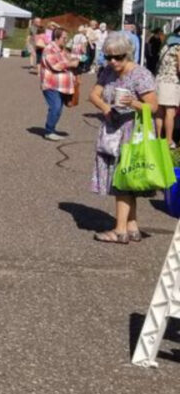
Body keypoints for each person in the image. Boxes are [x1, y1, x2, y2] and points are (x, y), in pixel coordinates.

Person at [88, 32, 158, 244]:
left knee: (123, 180)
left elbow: (154, 107)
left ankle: (119, 231)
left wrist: (132, 103)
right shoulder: (108, 71)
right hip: (113, 130)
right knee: (127, 180)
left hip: (133, 132)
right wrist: (107, 108)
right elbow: (93, 95)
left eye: (118, 57)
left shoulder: (141, 74)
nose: (113, 61)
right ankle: (132, 225)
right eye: (108, 57)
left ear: (129, 54)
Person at [40, 28, 79, 141]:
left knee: (59, 108)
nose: (66, 40)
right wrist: (71, 63)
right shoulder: (49, 49)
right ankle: (48, 131)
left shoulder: (61, 49)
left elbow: (67, 58)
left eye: (66, 37)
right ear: (57, 37)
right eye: (64, 37)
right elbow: (55, 66)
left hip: (60, 85)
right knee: (55, 107)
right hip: (50, 83)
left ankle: (51, 129)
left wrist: (75, 58)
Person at [155, 35, 180, 148]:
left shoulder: (165, 47)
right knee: (170, 113)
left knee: (160, 112)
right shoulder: (178, 49)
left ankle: (159, 137)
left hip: (159, 81)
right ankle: (169, 140)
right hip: (171, 82)